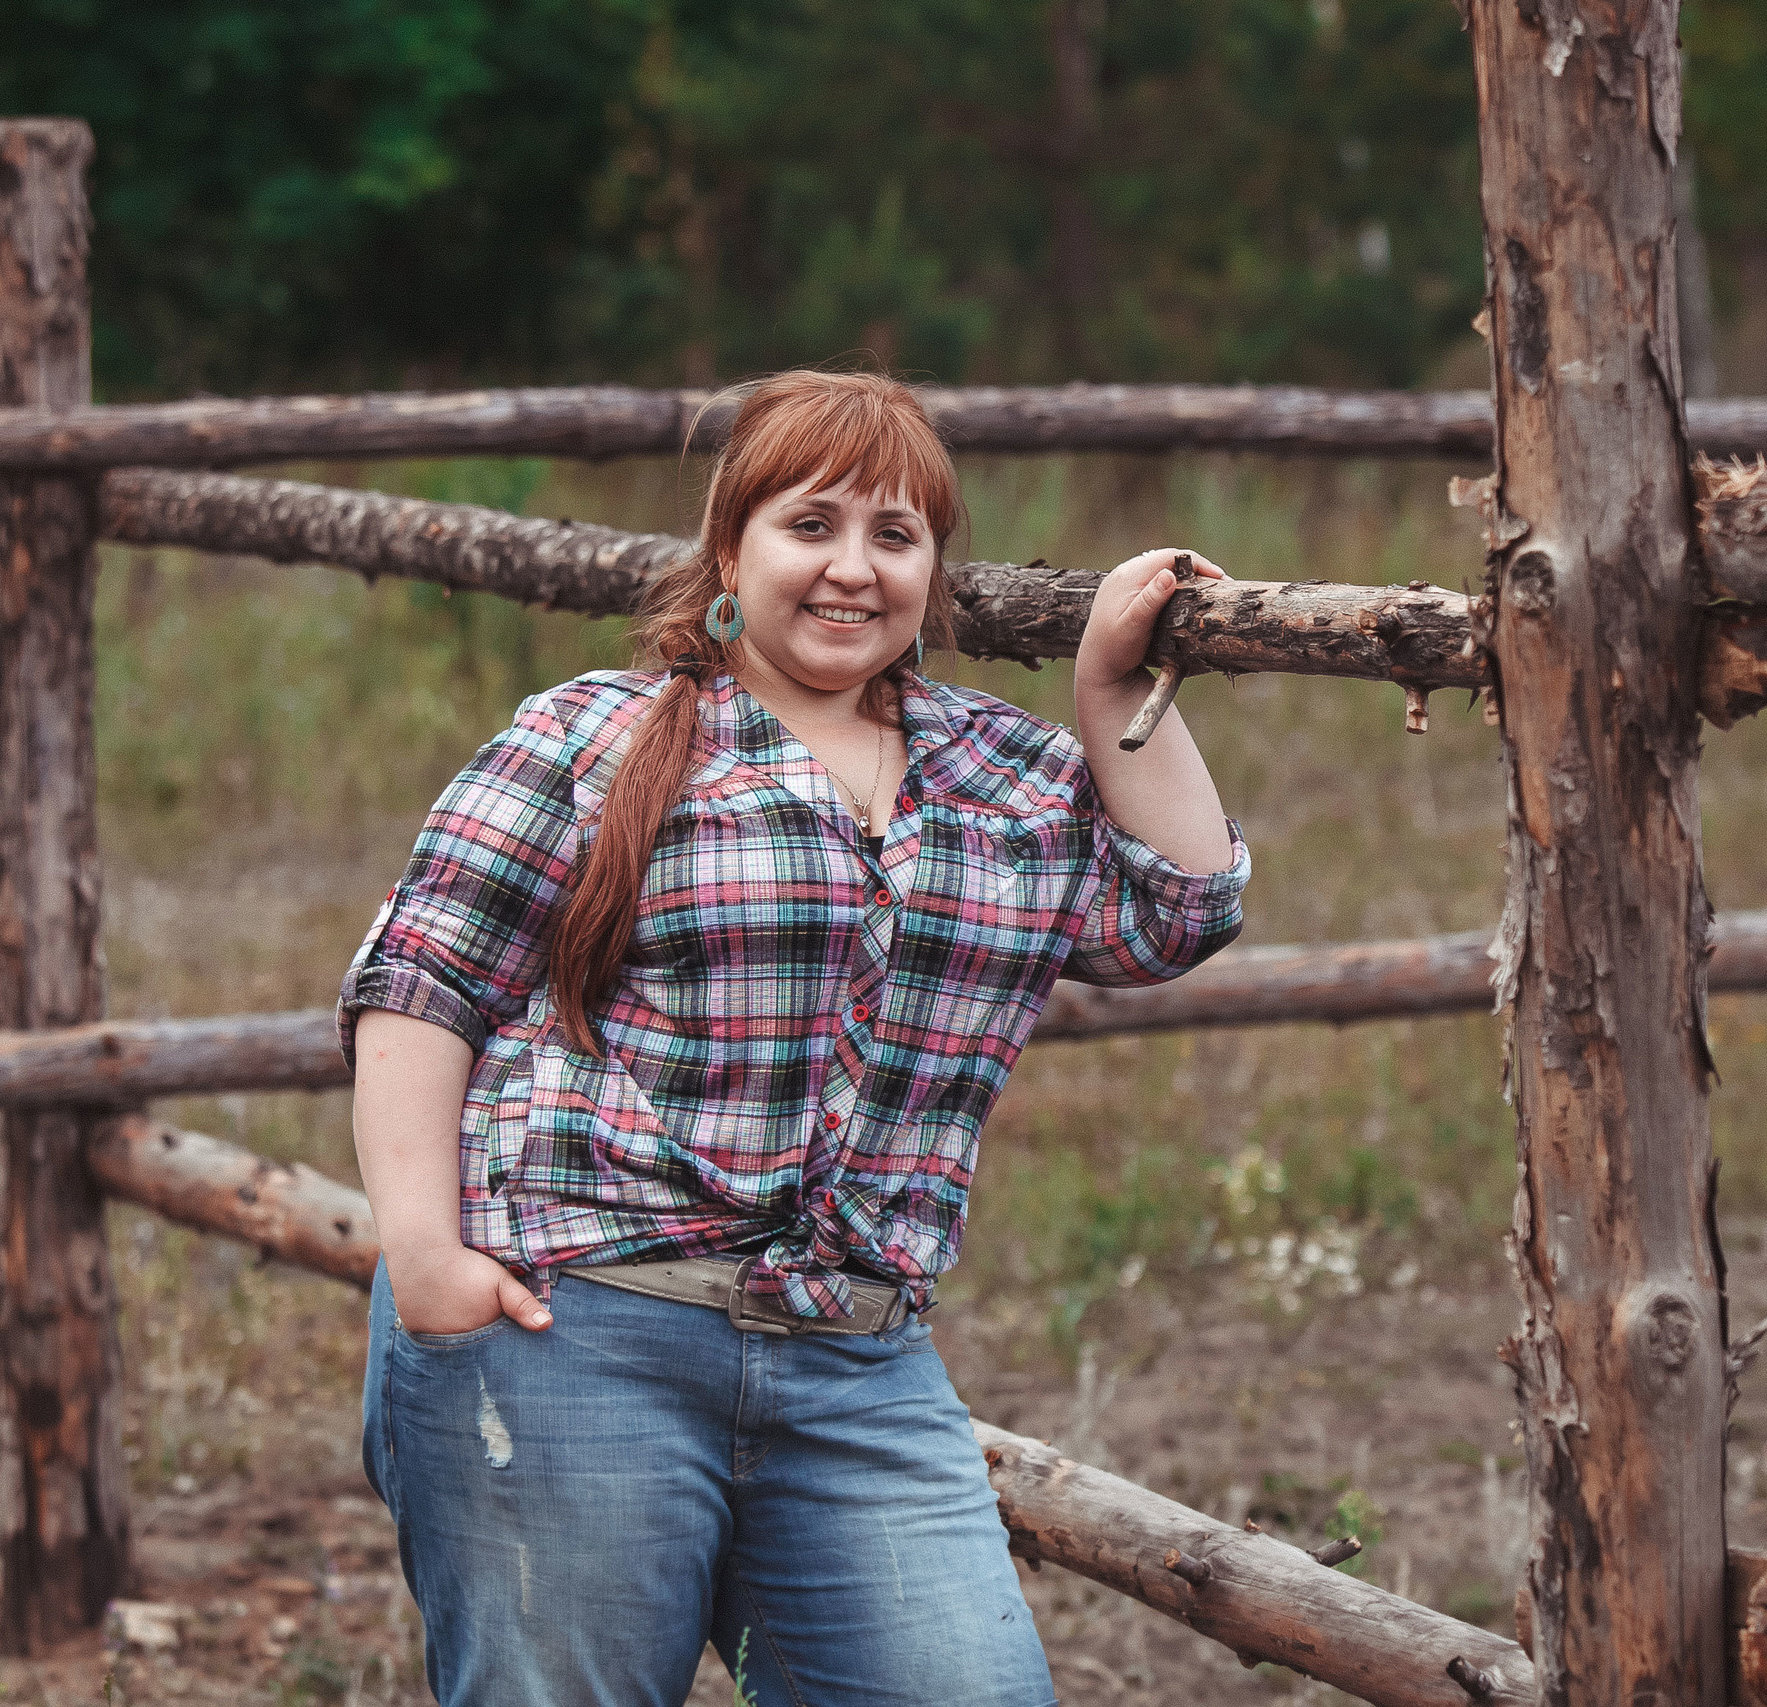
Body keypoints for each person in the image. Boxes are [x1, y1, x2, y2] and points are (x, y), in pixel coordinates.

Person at [339, 369, 1248, 1706]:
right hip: (576, 1329)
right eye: (808, 525)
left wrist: (1110, 677)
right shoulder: (590, 737)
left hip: (855, 1359)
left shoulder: (1004, 773)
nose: (851, 570)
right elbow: (421, 984)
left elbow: (1178, 912)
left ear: (934, 570)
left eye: (895, 536)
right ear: (730, 550)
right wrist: (423, 1255)